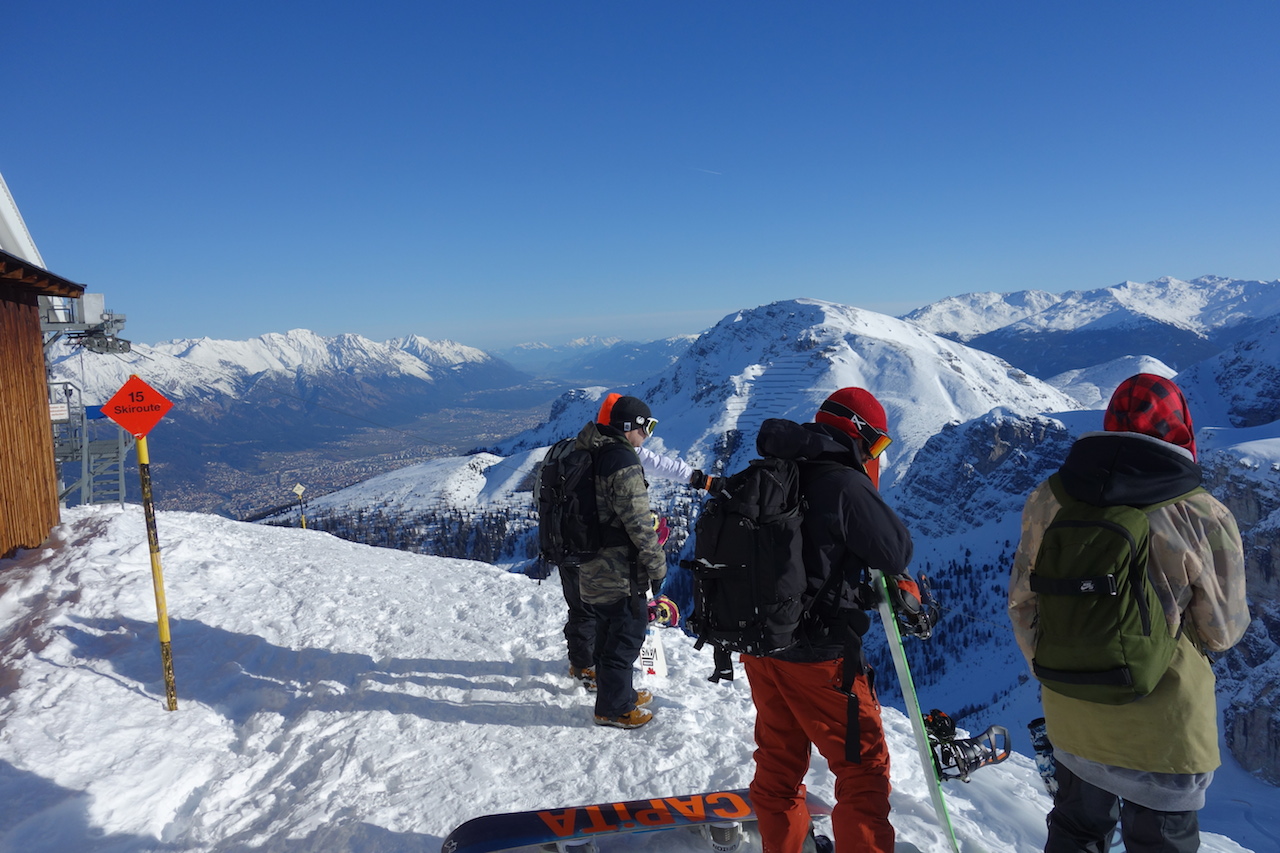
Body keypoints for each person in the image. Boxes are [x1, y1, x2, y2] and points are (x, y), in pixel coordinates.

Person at [1009, 373, 1250, 853]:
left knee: (1075, 833)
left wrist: (1063, 667)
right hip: (1164, 732)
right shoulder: (1202, 513)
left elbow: (1023, 603)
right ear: (1178, 430)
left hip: (1071, 714)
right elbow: (1223, 631)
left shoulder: (1049, 497)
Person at [741, 387, 919, 853]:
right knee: (862, 769)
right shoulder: (843, 482)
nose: (874, 455)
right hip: (819, 657)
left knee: (779, 760)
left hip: (761, 644)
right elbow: (894, 550)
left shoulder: (777, 471)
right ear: (857, 433)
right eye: (877, 444)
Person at [565, 394, 667, 729]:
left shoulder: (590, 450)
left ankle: (616, 692)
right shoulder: (621, 461)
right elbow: (639, 522)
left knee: (608, 632)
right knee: (626, 635)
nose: (648, 435)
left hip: (590, 563)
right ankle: (613, 708)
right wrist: (657, 565)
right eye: (647, 426)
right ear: (631, 426)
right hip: (618, 569)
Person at [597, 392, 723, 492]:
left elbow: (660, 464)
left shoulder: (585, 446)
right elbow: (659, 465)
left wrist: (701, 480)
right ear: (628, 426)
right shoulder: (623, 456)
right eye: (648, 427)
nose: (647, 435)